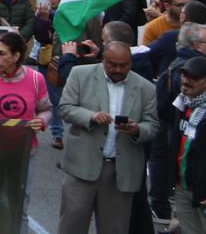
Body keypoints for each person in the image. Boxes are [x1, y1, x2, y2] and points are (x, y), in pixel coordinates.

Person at [57, 41, 159, 234]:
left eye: (124, 65)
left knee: (114, 229)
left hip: (120, 172)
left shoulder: (146, 87)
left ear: (130, 62)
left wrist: (137, 129)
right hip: (82, 167)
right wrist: (91, 116)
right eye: (112, 64)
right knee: (71, 226)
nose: (118, 69)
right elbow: (65, 108)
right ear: (103, 59)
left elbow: (153, 126)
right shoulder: (80, 74)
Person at [0, 31, 53, 135]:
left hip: (24, 143)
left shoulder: (36, 78)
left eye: (1, 53)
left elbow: (47, 110)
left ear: (16, 56)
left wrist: (41, 120)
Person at [167, 55, 206, 233]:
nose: (186, 81)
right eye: (184, 75)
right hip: (182, 187)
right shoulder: (183, 103)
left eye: (193, 77)